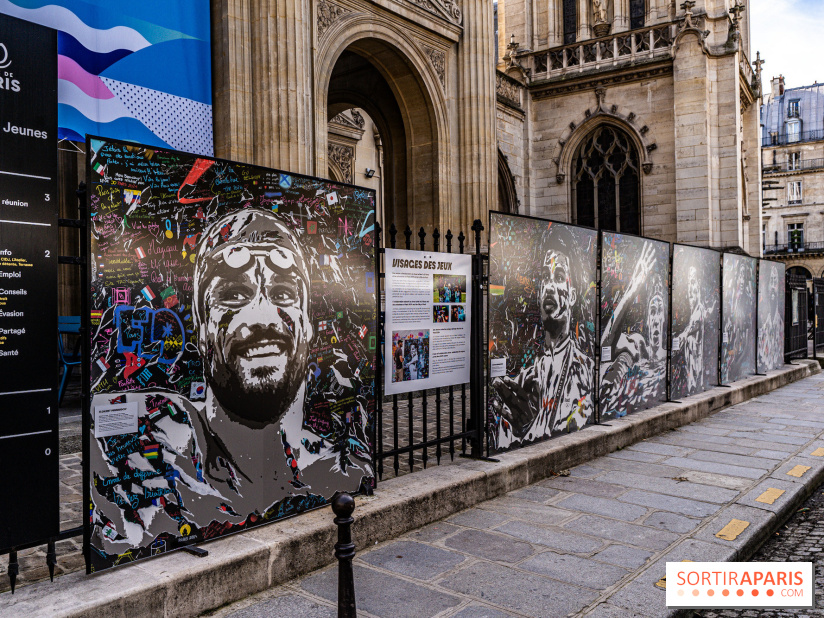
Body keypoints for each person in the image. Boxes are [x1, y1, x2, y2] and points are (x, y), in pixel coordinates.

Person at [90, 209, 372, 560]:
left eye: (284, 293)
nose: (263, 318)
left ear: (308, 324)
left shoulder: (346, 466)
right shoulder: (150, 447)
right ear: (201, 328)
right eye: (235, 295)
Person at [491, 224, 594, 448]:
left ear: (573, 296)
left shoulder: (587, 373)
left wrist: (532, 426)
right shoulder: (522, 382)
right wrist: (517, 429)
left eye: (559, 277)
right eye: (545, 277)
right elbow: (503, 441)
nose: (549, 286)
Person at [600, 241, 667, 417]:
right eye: (653, 311)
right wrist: (631, 291)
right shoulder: (638, 345)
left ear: (664, 317)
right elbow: (605, 346)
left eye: (660, 311)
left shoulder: (668, 357)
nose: (656, 318)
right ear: (648, 317)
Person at [674, 264, 716, 394]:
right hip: (692, 372)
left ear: (698, 285)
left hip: (695, 372)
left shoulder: (698, 310)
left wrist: (682, 336)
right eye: (688, 283)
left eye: (693, 282)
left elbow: (695, 324)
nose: (690, 289)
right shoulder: (695, 310)